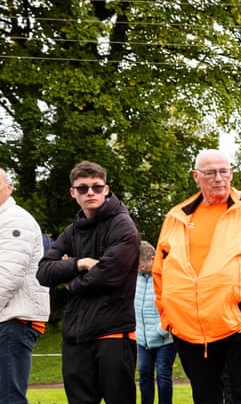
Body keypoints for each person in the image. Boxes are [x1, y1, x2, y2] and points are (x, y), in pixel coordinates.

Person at [152, 149, 241, 404]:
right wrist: (168, 317)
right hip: (189, 331)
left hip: (240, 326)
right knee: (204, 398)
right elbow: (159, 271)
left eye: (224, 171)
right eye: (210, 172)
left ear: (231, 173)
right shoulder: (176, 216)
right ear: (196, 177)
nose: (219, 178)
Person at [37, 160, 140, 404]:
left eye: (96, 187)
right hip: (75, 337)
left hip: (113, 333)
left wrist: (69, 282)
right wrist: (79, 263)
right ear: (73, 193)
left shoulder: (122, 226)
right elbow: (43, 273)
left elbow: (107, 276)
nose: (90, 192)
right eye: (82, 188)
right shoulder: (72, 231)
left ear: (106, 189)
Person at [0, 168, 51, 404]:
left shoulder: (14, 220)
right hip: (8, 319)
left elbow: (8, 276)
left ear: (9, 188)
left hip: (14, 320)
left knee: (9, 398)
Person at [135, 241, 176, 404]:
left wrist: (161, 330)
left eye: (140, 264)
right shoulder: (135, 278)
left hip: (164, 338)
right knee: (144, 374)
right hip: (142, 340)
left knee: (163, 375)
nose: (138, 268)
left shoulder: (168, 277)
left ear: (153, 259)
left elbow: (173, 307)